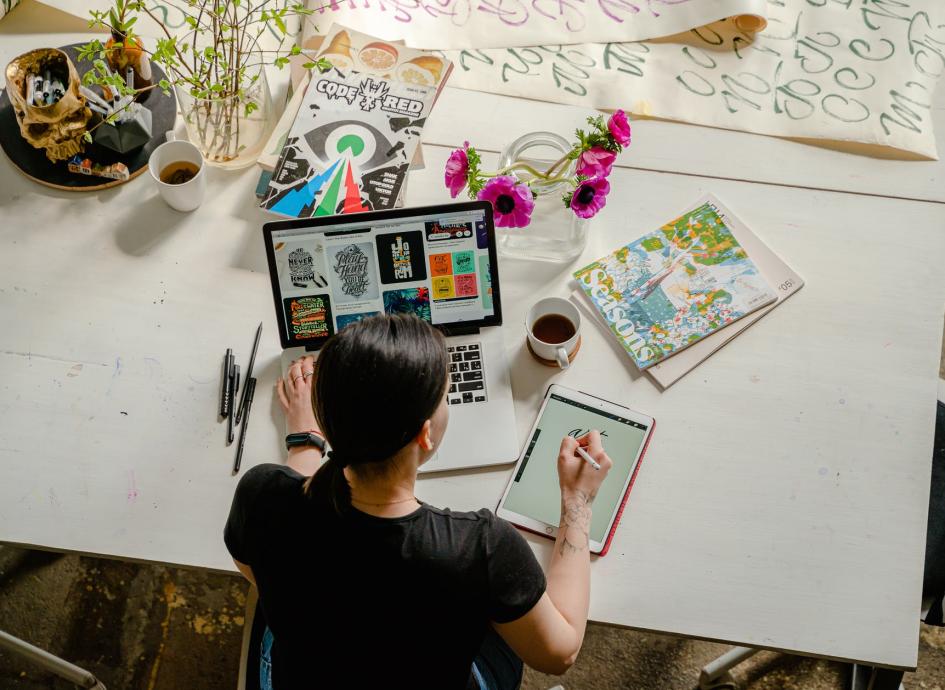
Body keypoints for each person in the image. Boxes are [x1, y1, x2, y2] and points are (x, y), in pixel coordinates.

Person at [224, 314, 613, 689]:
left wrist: (304, 438)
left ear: (328, 420)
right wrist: (577, 501)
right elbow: (559, 654)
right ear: (425, 435)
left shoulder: (261, 495)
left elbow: (254, 566)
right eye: (445, 396)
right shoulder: (479, 548)